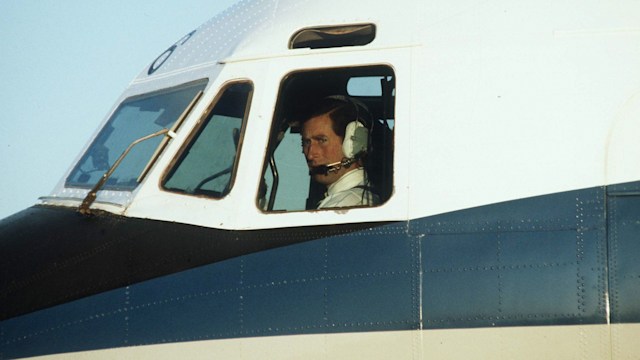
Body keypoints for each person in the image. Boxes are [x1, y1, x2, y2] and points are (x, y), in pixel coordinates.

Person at [301, 96, 379, 209]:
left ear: (353, 144)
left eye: (321, 140)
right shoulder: (346, 200)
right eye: (306, 143)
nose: (310, 154)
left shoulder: (342, 206)